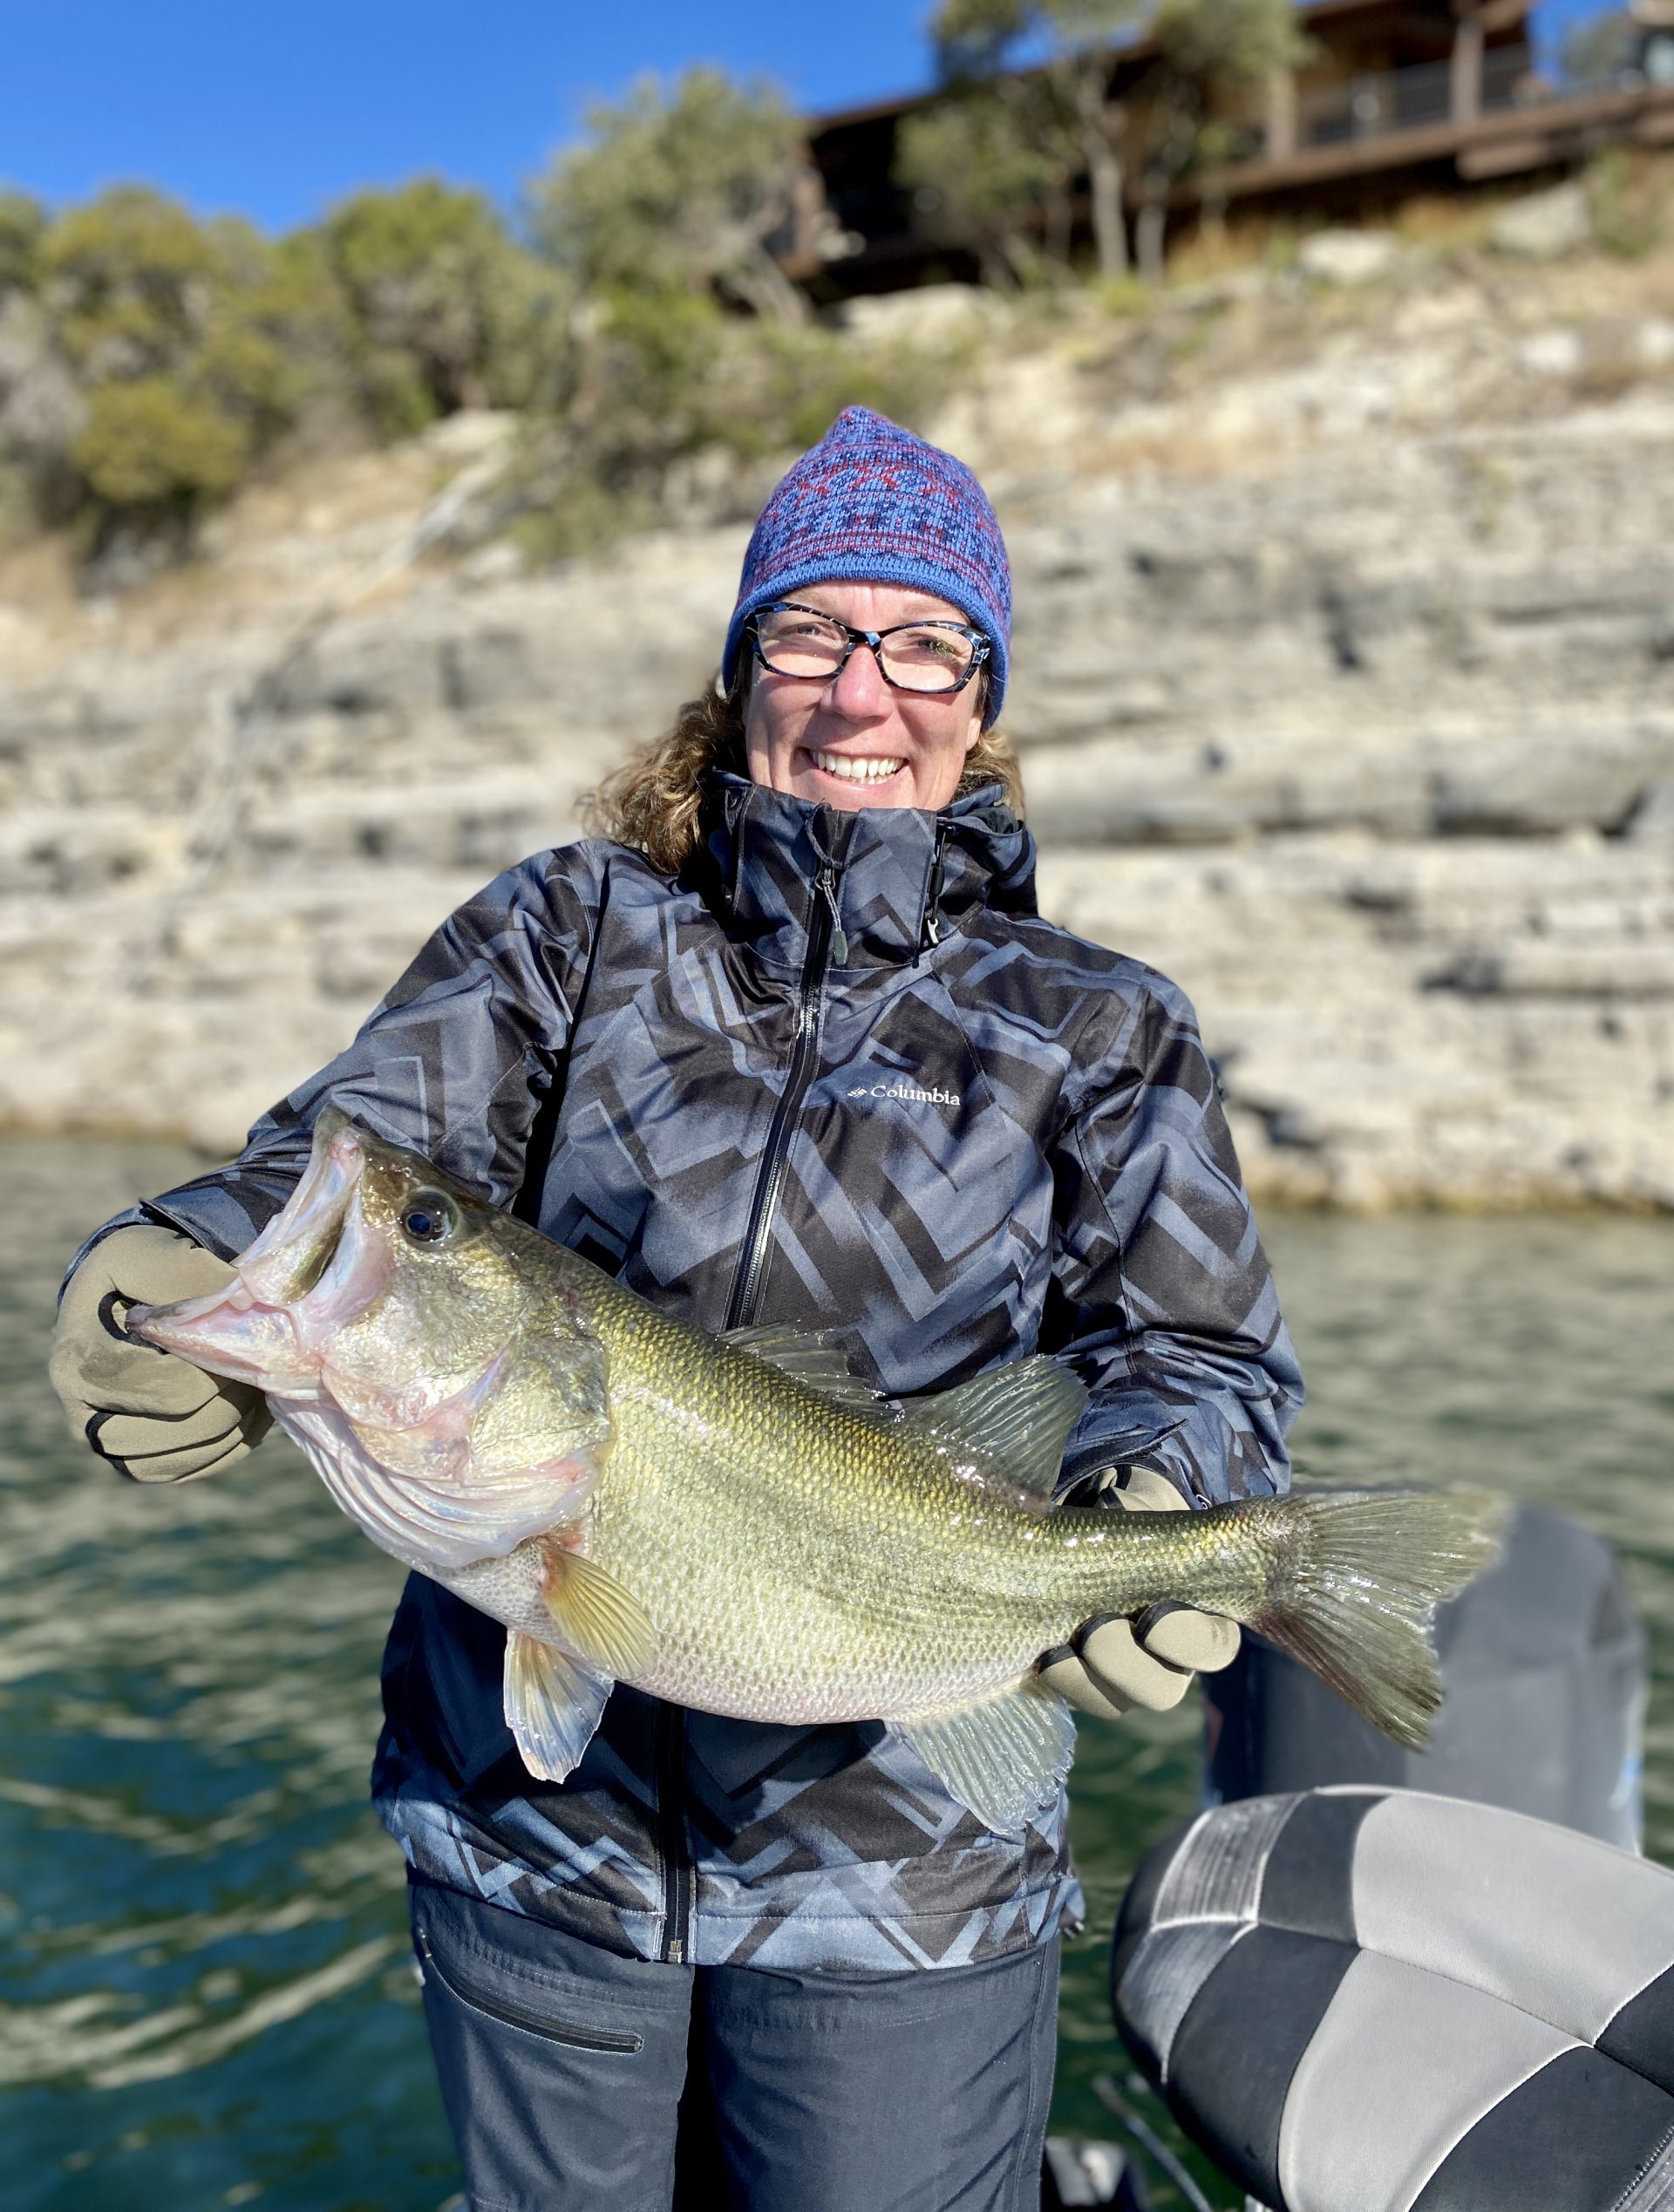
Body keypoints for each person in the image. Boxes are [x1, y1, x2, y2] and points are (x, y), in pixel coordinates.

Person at [51, 406, 1303, 2211]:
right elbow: (379, 1143)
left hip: (911, 1876)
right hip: (532, 1846)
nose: (861, 693)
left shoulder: (1105, 1025)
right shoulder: (569, 929)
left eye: (922, 643)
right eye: (808, 635)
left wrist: (1161, 1500)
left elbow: (1199, 1356)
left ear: (978, 695)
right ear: (739, 672)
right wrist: (189, 1244)